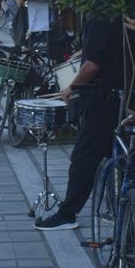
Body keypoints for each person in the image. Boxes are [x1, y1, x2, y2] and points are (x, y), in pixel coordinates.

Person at [35, 15, 124, 231]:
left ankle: (68, 214)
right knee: (120, 157)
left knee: (83, 158)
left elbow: (92, 66)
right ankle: (122, 211)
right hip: (127, 97)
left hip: (104, 100)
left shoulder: (98, 19)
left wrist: (72, 87)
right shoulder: (121, 13)